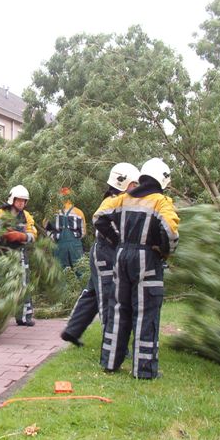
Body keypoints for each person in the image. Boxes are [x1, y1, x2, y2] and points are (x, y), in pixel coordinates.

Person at [93, 158, 180, 379]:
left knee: (119, 308)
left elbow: (98, 217)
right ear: (162, 179)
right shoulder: (160, 201)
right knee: (146, 311)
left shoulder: (124, 198)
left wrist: (117, 239)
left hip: (121, 257)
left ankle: (110, 362)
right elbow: (170, 231)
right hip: (146, 259)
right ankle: (144, 369)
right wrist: (164, 251)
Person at [61, 163, 140, 347]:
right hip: (105, 252)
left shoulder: (123, 199)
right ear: (123, 182)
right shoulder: (112, 199)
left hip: (105, 252)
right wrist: (117, 240)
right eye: (134, 183)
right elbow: (98, 220)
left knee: (93, 293)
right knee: (108, 295)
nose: (136, 187)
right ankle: (111, 342)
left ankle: (72, 330)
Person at [0, 185, 38, 326]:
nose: (21, 203)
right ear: (12, 200)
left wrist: (22, 236)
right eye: (19, 200)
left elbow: (33, 234)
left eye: (24, 201)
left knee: (23, 284)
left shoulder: (26, 216)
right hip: (1, 253)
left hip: (20, 254)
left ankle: (24, 317)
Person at [45, 187, 86, 269]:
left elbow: (46, 226)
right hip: (75, 246)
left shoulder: (53, 212)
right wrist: (76, 239)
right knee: (80, 269)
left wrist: (53, 238)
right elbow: (83, 232)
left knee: (61, 272)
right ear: (71, 197)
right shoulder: (78, 212)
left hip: (59, 246)